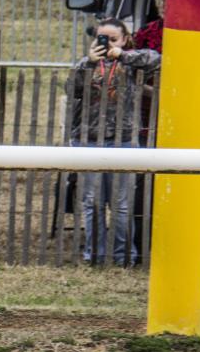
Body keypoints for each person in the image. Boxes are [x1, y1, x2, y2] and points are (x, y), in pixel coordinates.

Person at [67, 19, 160, 267]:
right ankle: (94, 256)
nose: (106, 43)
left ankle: (123, 258)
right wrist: (89, 61)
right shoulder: (86, 64)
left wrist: (123, 55)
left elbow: (155, 59)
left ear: (125, 39)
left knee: (121, 205)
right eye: (102, 38)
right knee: (92, 203)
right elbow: (72, 88)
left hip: (123, 140)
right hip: (88, 139)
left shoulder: (131, 62)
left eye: (113, 38)